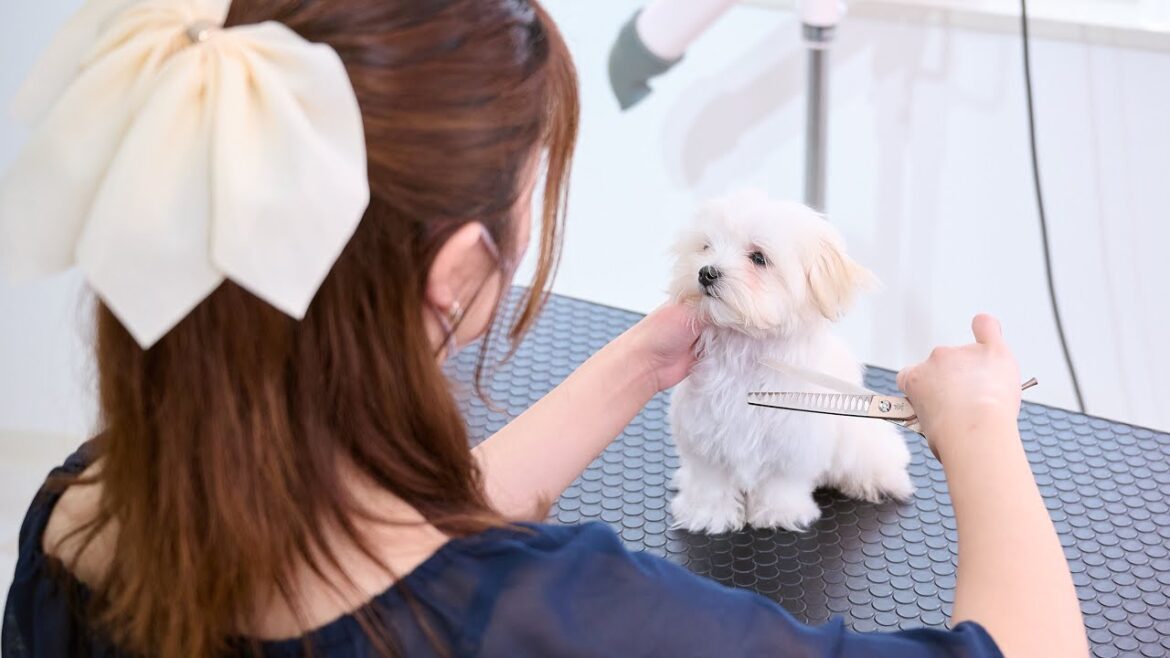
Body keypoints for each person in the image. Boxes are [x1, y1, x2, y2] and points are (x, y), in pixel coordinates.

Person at [0, 1, 1087, 657]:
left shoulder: (75, 514)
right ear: (460, 268)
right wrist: (981, 429)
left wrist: (645, 358)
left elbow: (409, 539)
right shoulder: (558, 619)